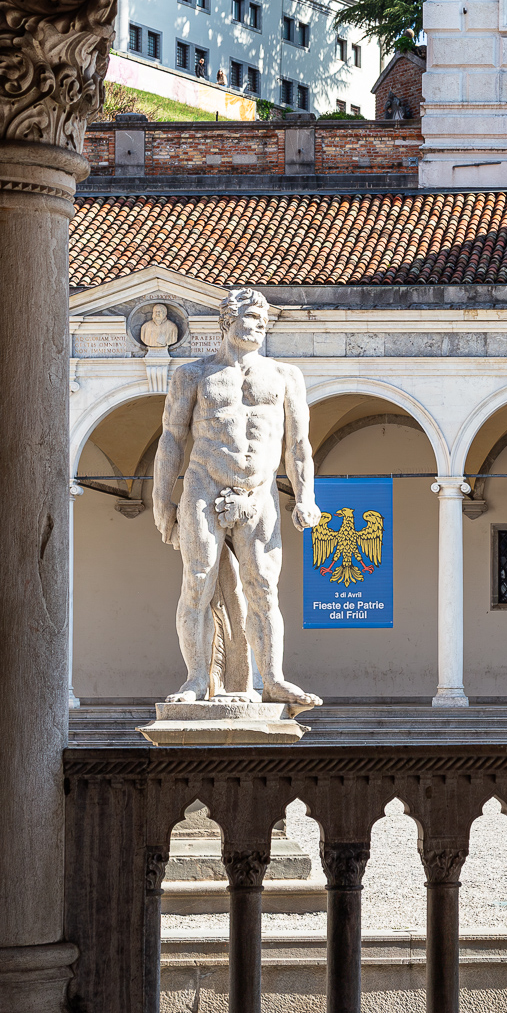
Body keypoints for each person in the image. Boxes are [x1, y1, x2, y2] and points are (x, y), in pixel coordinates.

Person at [152, 287, 322, 712]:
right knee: (198, 581)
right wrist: (162, 500)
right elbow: (171, 438)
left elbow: (298, 444)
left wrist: (306, 496)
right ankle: (196, 679)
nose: (260, 326)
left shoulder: (285, 376)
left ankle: (273, 679)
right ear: (228, 322)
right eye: (252, 318)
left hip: (259, 490)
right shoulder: (193, 375)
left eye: (264, 321)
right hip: (203, 485)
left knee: (263, 587)